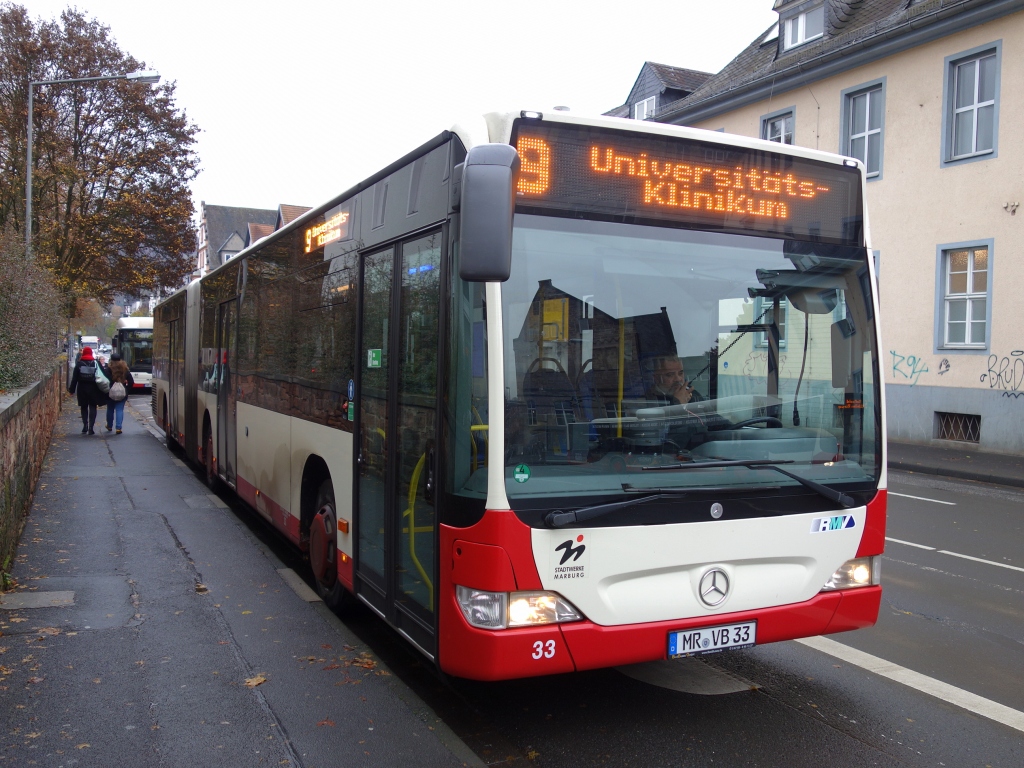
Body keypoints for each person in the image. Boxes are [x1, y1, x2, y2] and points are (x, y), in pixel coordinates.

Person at [68, 346, 104, 434]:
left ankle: (85, 425)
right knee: (92, 407)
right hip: (93, 388)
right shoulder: (95, 363)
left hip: (82, 388)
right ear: (91, 353)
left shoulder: (79, 364)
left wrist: (72, 390)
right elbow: (102, 374)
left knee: (84, 407)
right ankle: (91, 427)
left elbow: (74, 378)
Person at [103, 353, 134, 434]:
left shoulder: (108, 369)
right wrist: (126, 389)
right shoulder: (125, 369)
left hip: (110, 392)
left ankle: (109, 425)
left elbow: (104, 381)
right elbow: (131, 381)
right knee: (119, 409)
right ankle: (118, 427)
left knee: (110, 409)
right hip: (121, 392)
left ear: (111, 360)